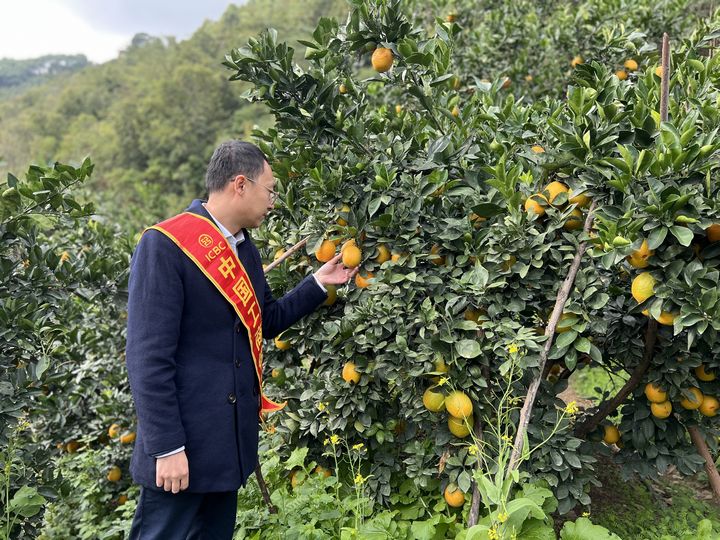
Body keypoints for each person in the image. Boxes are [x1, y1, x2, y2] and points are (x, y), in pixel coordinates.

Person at [125, 140, 356, 539]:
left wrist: (318, 283)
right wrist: (166, 448)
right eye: (270, 190)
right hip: (181, 451)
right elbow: (147, 358)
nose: (273, 202)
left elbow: (264, 319)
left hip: (225, 449)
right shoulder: (165, 245)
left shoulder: (243, 249)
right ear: (240, 184)